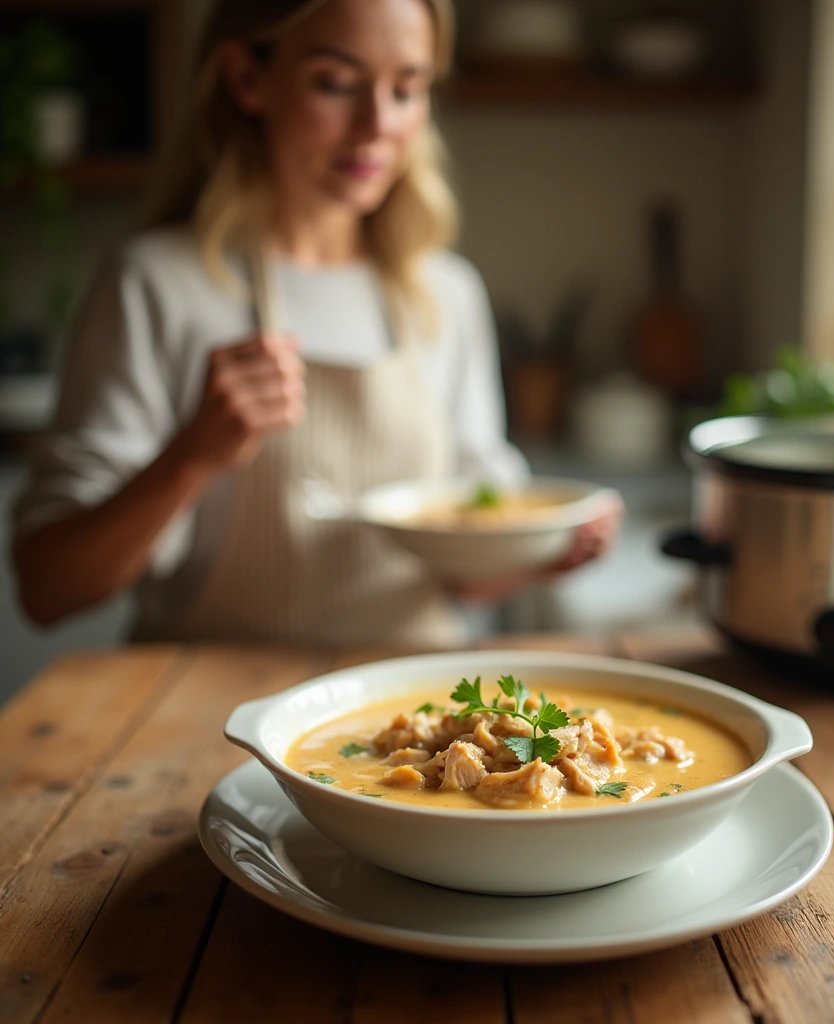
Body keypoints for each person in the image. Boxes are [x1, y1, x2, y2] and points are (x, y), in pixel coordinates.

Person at [10, 0, 619, 648]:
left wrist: (539, 555)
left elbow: (461, 575)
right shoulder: (156, 284)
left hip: (416, 721)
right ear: (247, 78)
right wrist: (190, 457)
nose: (377, 125)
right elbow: (49, 590)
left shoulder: (444, 292)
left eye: (406, 89)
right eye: (336, 83)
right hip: (205, 717)